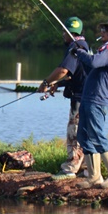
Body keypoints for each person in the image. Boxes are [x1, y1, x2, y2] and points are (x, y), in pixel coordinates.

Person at [74, 18, 108, 188]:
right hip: (89, 97)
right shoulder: (105, 49)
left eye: (105, 29)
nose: (101, 31)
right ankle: (94, 177)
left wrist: (81, 53)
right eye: (102, 28)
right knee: (83, 135)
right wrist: (82, 55)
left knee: (97, 134)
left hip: (99, 98)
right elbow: (92, 67)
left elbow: (95, 62)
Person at [38, 16, 89, 177]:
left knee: (74, 131)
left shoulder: (75, 48)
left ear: (67, 32)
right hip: (87, 95)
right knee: (85, 131)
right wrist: (58, 85)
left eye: (64, 32)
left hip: (81, 98)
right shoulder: (85, 46)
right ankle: (86, 169)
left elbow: (63, 70)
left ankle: (70, 168)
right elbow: (77, 75)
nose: (63, 35)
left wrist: (46, 82)